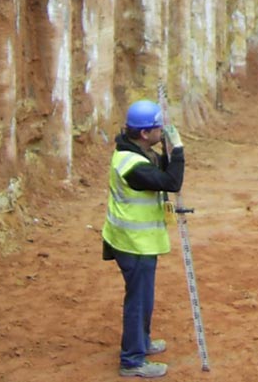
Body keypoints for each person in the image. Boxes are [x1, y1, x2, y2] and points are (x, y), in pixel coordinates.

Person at [102, 99, 185, 379]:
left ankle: (142, 342)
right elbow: (171, 182)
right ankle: (132, 361)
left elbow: (162, 169)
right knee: (137, 301)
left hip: (141, 242)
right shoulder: (131, 165)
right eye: (158, 128)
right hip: (132, 243)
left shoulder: (139, 150)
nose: (162, 131)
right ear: (144, 133)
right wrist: (180, 153)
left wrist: (169, 151)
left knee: (144, 297)